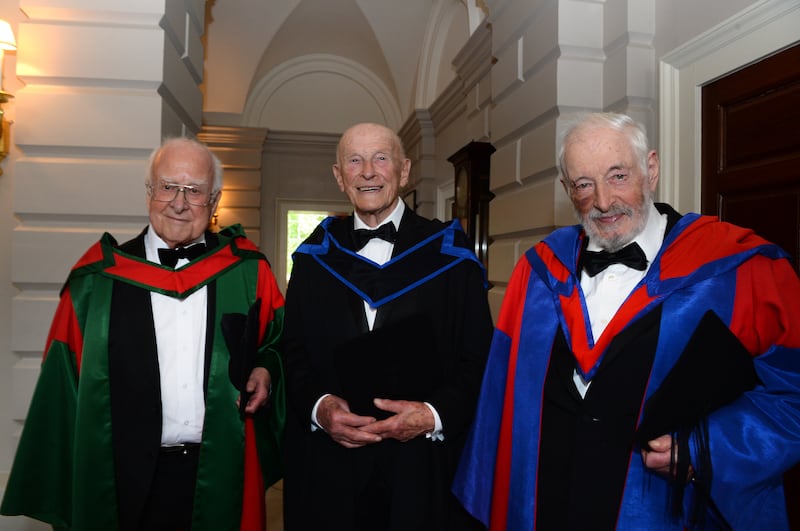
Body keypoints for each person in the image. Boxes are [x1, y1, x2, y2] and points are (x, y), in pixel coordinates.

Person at [453, 112, 800, 530]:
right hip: (549, 505)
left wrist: (706, 449)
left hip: (660, 510)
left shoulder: (740, 269)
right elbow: (500, 399)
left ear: (650, 169)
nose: (602, 201)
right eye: (584, 184)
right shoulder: (539, 271)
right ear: (567, 189)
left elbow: (791, 391)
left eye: (618, 175)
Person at [0, 137, 286, 530]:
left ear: (215, 200)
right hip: (118, 476)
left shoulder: (249, 272)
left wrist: (266, 369)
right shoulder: (95, 282)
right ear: (150, 192)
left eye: (195, 190)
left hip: (220, 469)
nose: (179, 202)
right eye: (169, 186)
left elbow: (280, 343)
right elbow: (61, 386)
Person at [281, 122, 493, 530]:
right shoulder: (314, 257)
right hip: (333, 469)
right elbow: (293, 350)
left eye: (381, 158)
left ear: (404, 170)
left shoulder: (450, 255)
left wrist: (433, 414)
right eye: (354, 161)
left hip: (423, 468)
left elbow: (479, 357)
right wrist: (318, 406)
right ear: (339, 176)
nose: (368, 172)